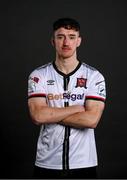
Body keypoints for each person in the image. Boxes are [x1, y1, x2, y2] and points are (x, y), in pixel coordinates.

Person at [28, 17, 106, 179]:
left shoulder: (94, 76)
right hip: (47, 163)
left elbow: (91, 120)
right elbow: (38, 116)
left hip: (83, 163)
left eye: (71, 37)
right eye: (60, 36)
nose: (66, 42)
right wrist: (75, 109)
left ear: (79, 41)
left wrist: (50, 115)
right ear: (53, 41)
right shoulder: (38, 75)